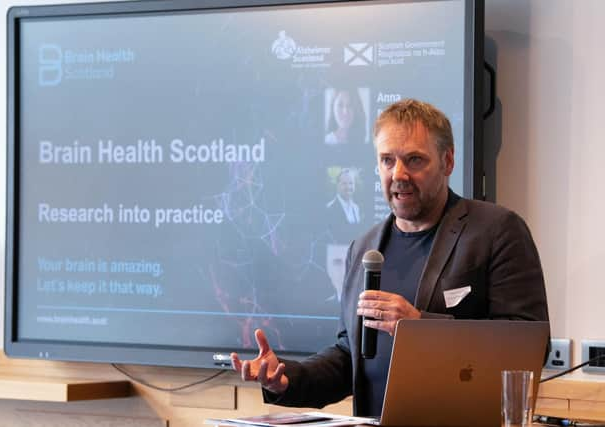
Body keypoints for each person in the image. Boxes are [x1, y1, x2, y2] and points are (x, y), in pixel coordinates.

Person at [231, 99, 549, 417]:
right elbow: (349, 358)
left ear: (448, 161)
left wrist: (420, 329)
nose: (399, 174)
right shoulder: (365, 249)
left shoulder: (497, 232)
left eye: (414, 160)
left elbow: (527, 349)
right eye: (387, 160)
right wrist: (286, 379)